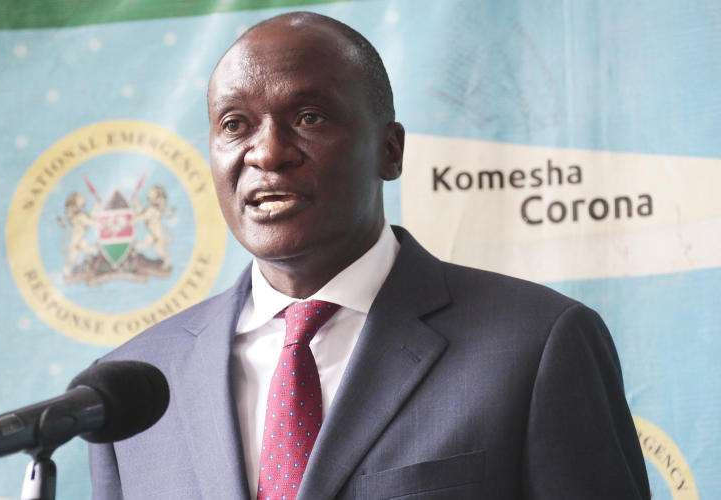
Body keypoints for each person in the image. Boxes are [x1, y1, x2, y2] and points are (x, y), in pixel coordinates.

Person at [89, 11, 650, 499]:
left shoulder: (536, 344)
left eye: (309, 117)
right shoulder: (130, 389)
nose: (268, 152)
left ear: (390, 150)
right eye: (235, 125)